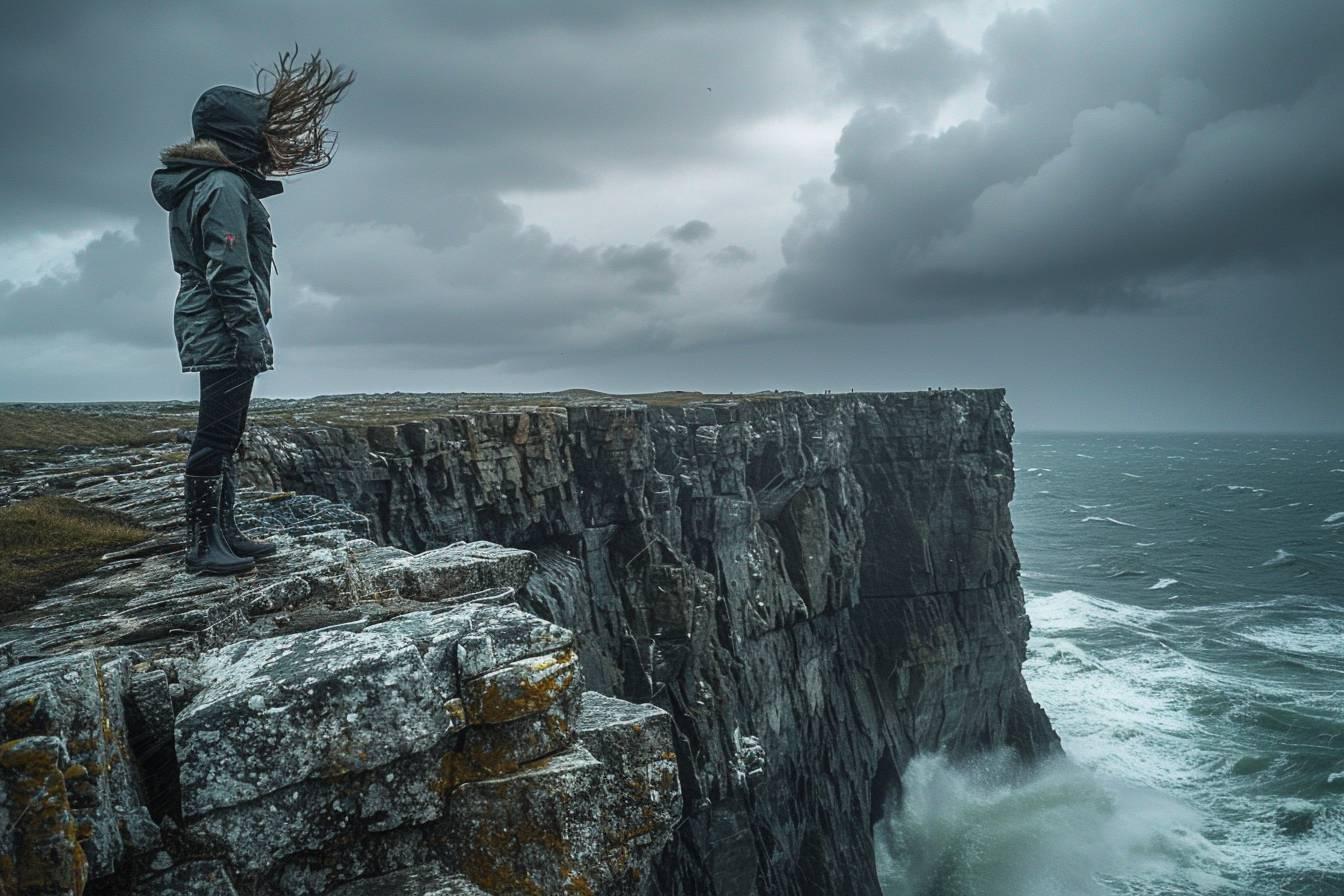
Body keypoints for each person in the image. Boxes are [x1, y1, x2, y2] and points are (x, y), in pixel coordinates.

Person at [151, 49, 354, 575]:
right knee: (217, 435)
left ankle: (224, 531)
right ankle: (203, 544)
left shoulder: (213, 183)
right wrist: (249, 333)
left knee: (227, 433)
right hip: (220, 325)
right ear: (238, 136)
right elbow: (227, 269)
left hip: (216, 322)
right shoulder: (221, 186)